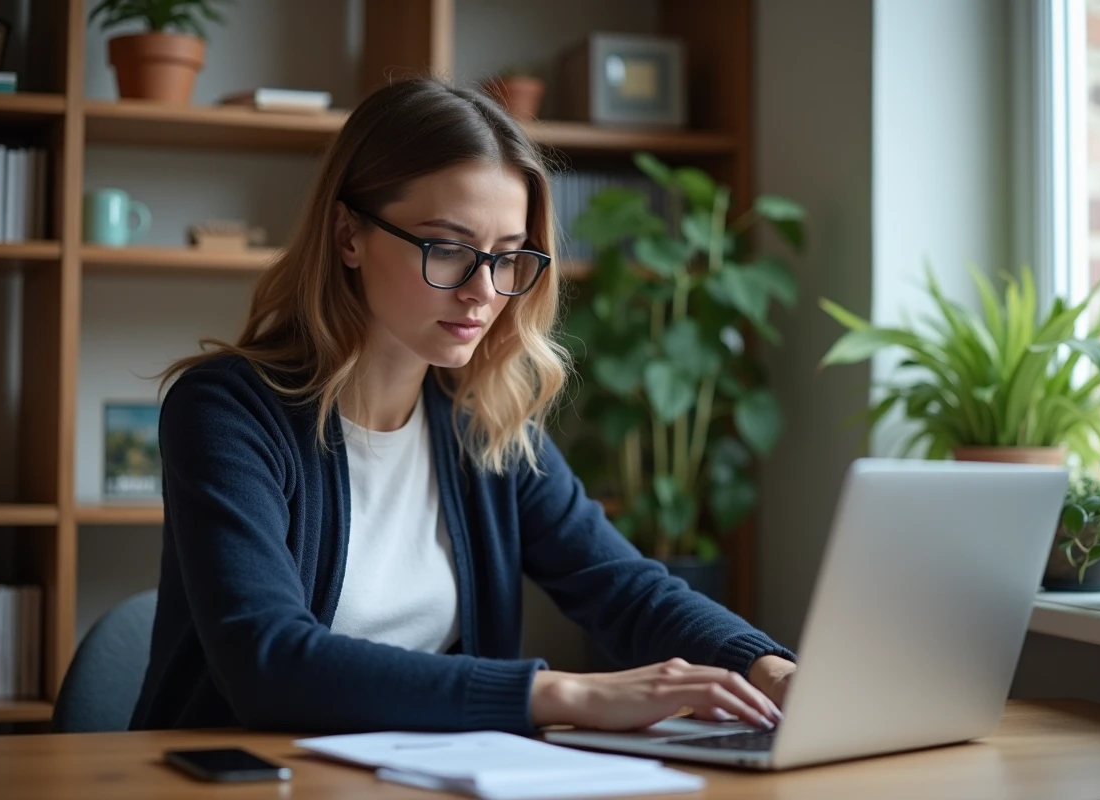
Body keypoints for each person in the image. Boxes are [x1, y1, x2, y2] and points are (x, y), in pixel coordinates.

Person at [130, 77, 796, 735]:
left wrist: (767, 669)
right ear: (347, 236)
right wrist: (561, 692)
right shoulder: (227, 411)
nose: (483, 291)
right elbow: (267, 660)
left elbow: (624, 588)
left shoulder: (481, 419)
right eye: (448, 248)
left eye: (508, 258)